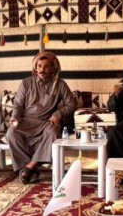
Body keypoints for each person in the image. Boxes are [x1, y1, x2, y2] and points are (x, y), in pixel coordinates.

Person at [7, 51, 78, 184]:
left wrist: (58, 114)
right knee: (11, 133)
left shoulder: (60, 84)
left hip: (46, 122)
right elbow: (18, 105)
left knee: (53, 133)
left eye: (46, 66)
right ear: (35, 68)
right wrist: (15, 118)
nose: (42, 69)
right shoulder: (26, 83)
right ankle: (30, 170)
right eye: (39, 66)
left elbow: (72, 104)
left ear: (52, 68)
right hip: (27, 121)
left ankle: (29, 167)